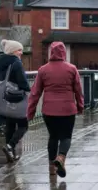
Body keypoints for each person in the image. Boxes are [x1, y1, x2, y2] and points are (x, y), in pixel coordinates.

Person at [27, 42, 84, 178]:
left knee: (53, 137)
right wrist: (80, 106)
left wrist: (31, 111)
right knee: (66, 136)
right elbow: (78, 90)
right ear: (64, 53)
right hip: (67, 110)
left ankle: (51, 168)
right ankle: (61, 157)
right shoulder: (72, 69)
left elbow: (35, 93)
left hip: (49, 110)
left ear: (50, 53)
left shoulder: (43, 70)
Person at [0, 39, 31, 162]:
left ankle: (11, 154)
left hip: (5, 98)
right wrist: (28, 89)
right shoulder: (16, 63)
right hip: (16, 98)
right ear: (12, 51)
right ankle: (10, 146)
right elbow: (23, 83)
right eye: (19, 50)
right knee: (23, 126)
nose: (21, 52)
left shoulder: (0, 62)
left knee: (10, 125)